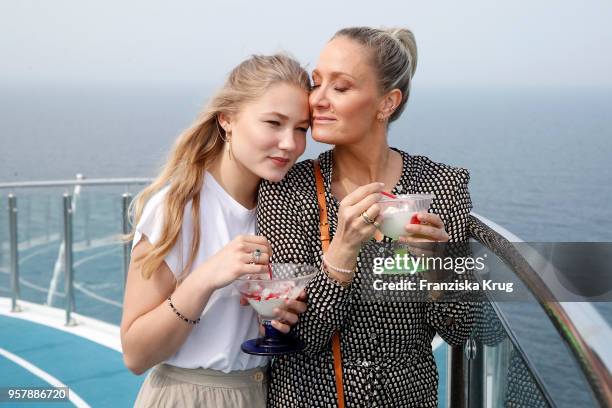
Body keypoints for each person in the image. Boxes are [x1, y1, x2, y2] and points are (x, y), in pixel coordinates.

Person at [258, 27, 475, 407]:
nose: (317, 100)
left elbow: (460, 329)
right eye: (317, 83)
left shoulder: (442, 186)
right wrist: (341, 252)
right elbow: (297, 339)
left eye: (340, 88)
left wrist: (438, 270)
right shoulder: (288, 190)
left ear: (387, 103)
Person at [120, 54, 311, 408]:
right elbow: (135, 354)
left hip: (260, 393)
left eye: (301, 128)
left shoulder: (281, 208)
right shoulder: (175, 208)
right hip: (187, 397)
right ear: (227, 119)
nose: (291, 143)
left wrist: (280, 315)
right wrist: (206, 278)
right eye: (274, 122)